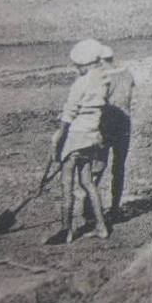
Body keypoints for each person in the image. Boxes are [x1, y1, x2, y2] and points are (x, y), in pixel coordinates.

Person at [50, 39, 110, 244]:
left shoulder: (80, 83)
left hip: (76, 137)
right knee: (87, 183)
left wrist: (59, 136)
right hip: (92, 137)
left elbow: (69, 113)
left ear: (84, 64)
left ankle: (66, 230)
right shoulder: (103, 80)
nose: (76, 68)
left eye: (78, 65)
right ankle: (101, 227)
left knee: (67, 184)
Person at [97, 45, 135, 219]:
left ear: (101, 60)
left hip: (106, 126)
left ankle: (91, 210)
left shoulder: (102, 77)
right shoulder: (126, 72)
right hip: (124, 124)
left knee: (97, 167)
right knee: (118, 168)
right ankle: (115, 207)